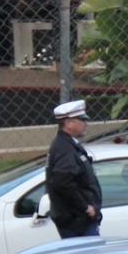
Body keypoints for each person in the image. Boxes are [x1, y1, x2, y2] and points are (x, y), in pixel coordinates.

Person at [45, 99, 103, 239]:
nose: (86, 123)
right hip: (77, 222)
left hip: (78, 220)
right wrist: (84, 207)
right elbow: (62, 183)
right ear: (69, 123)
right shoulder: (65, 149)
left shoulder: (68, 145)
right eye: (81, 120)